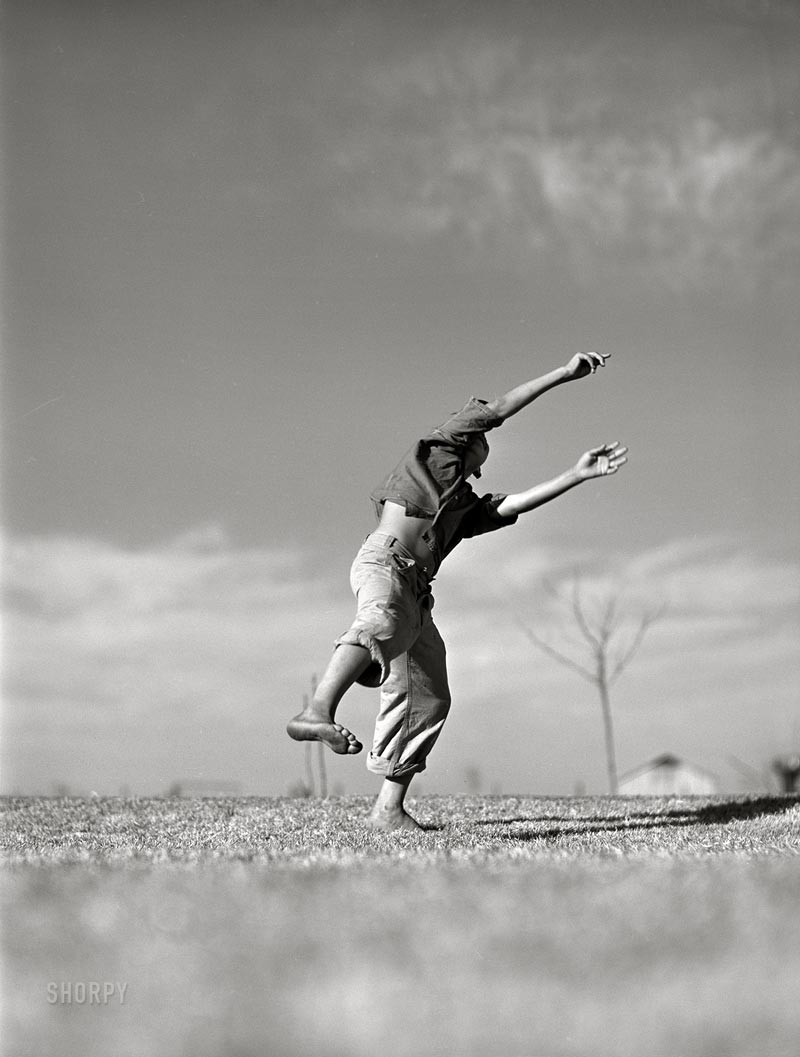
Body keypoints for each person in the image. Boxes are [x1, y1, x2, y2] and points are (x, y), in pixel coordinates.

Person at [287, 352, 627, 830]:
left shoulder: (463, 506)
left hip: (417, 592)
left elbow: (514, 505)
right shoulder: (437, 450)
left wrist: (576, 475)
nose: (486, 442)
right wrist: (564, 374)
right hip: (385, 562)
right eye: (482, 437)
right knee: (380, 622)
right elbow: (502, 407)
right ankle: (316, 710)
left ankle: (388, 809)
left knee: (428, 695)